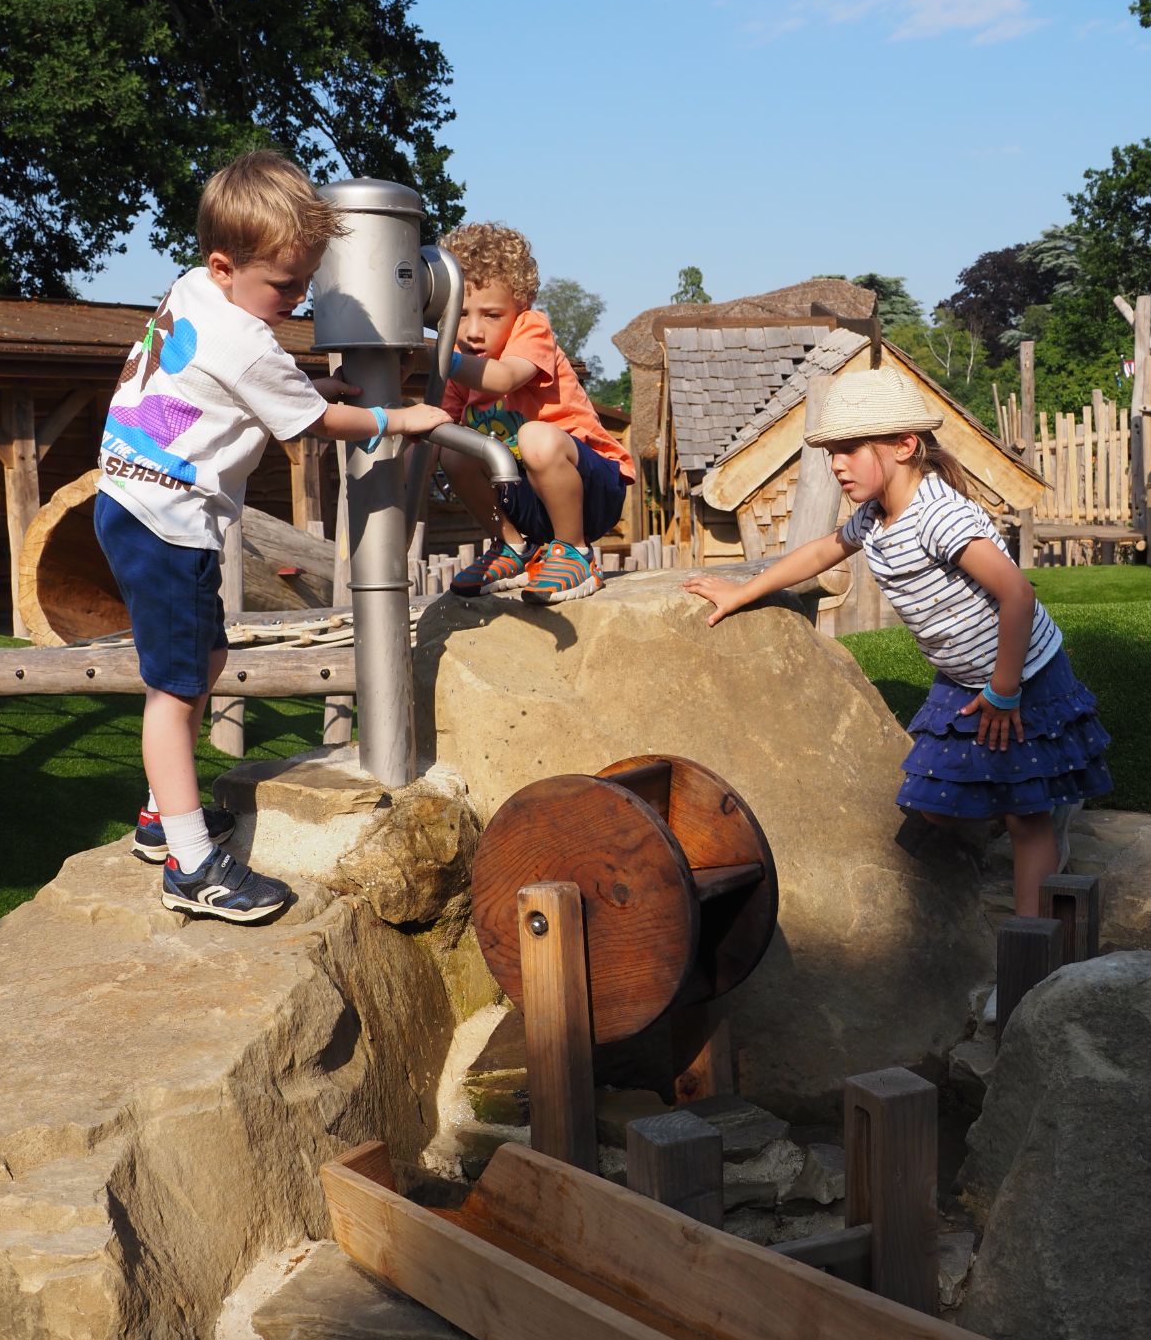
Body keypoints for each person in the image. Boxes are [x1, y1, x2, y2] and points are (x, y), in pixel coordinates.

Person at [95, 149, 449, 924]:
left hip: (131, 499)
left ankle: (167, 815)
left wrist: (301, 386)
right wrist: (400, 417)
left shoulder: (194, 293)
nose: (294, 302)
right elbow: (320, 424)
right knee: (174, 690)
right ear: (225, 264)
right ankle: (189, 862)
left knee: (205, 658)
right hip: (167, 523)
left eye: (306, 283)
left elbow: (217, 390)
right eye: (284, 287)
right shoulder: (248, 341)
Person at [685, 366, 1111, 916]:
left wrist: (1005, 691)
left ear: (905, 445)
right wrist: (745, 589)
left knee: (1027, 820)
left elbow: (1018, 596)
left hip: (1021, 677)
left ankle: (1028, 949)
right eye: (830, 452)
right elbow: (821, 551)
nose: (836, 464)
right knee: (932, 802)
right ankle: (1032, 805)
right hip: (963, 679)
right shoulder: (873, 518)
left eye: (849, 449)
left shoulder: (938, 515)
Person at [429, 222, 635, 603]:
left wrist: (438, 357)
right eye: (461, 314)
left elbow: (505, 378)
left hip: (591, 488)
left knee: (534, 436)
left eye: (491, 315)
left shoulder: (532, 329)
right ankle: (513, 548)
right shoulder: (460, 367)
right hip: (526, 500)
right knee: (453, 446)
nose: (473, 331)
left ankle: (576, 552)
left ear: (519, 308)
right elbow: (433, 431)